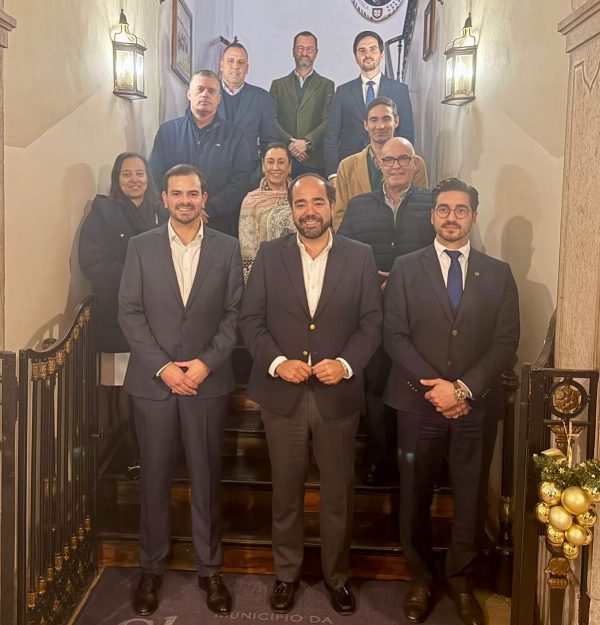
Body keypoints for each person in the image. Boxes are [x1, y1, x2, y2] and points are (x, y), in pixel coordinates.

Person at [239, 174, 382, 615]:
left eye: (317, 202)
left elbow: (371, 322)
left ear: (331, 205)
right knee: (286, 490)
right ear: (291, 209)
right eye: (300, 204)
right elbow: (250, 320)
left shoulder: (360, 255)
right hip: (282, 394)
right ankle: (287, 574)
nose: (309, 211)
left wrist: (345, 364)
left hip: (337, 395)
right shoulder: (270, 254)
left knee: (338, 493)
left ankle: (337, 576)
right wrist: (277, 362)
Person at [383, 178, 520, 625]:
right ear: (432, 216)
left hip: (474, 408)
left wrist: (461, 389)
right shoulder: (406, 267)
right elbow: (394, 335)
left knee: (471, 497)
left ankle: (461, 583)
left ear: (474, 217)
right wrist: (437, 389)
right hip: (417, 404)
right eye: (443, 209)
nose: (451, 218)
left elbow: (505, 342)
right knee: (414, 495)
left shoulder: (498, 273)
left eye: (461, 210)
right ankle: (421, 579)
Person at [118, 164, 243, 617]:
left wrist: (206, 363)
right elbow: (129, 312)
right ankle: (151, 568)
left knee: (206, 477)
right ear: (165, 198)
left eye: (193, 193)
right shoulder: (141, 246)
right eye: (177, 193)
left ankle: (210, 569)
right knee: (154, 477)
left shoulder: (228, 248)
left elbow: (234, 314)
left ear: (204, 198)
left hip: (206, 383)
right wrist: (165, 368)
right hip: (155, 384)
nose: (185, 200)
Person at [338, 136, 434, 486]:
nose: (396, 166)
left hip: (420, 312)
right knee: (376, 387)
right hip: (373, 311)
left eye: (403, 159)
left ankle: (417, 462)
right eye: (389, 160)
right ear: (379, 164)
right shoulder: (359, 205)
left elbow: (441, 249)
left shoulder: (432, 203)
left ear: (415, 163)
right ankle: (380, 459)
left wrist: (405, 277)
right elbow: (343, 251)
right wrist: (368, 280)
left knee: (415, 382)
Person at [78, 152, 166, 478]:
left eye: (139, 173)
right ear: (117, 179)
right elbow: (92, 263)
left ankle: (158, 450)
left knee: (157, 385)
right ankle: (133, 454)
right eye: (126, 174)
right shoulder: (102, 213)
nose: (134, 179)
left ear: (148, 176)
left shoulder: (162, 210)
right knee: (124, 391)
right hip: (117, 317)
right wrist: (134, 276)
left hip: (160, 318)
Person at [149, 69, 253, 236]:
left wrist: (206, 209)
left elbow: (240, 183)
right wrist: (180, 208)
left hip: (217, 224)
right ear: (189, 94)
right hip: (173, 221)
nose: (205, 95)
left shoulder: (235, 136)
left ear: (219, 99)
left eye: (211, 91)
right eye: (200, 89)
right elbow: (155, 176)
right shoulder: (167, 132)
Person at [324, 31, 414, 178]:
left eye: (373, 49)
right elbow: (331, 136)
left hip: (390, 166)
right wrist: (333, 174)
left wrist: (404, 167)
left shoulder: (399, 90)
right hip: (351, 168)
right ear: (356, 57)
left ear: (381, 54)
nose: (367, 55)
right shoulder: (343, 92)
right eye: (362, 51)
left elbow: (407, 134)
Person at [332, 97, 428, 229]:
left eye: (386, 119)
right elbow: (340, 215)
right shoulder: (347, 166)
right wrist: (350, 241)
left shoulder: (415, 164)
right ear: (366, 124)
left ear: (396, 121)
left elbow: (422, 208)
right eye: (374, 120)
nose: (380, 126)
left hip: (405, 237)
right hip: (359, 239)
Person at [270, 31, 335, 178]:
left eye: (309, 49)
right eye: (300, 48)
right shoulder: (277, 85)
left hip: (315, 162)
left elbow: (328, 120)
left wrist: (307, 143)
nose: (304, 53)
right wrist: (290, 144)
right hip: (284, 161)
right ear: (293, 51)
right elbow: (271, 119)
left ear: (316, 53)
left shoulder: (327, 85)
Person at [217, 42, 278, 186]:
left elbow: (269, 142)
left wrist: (262, 174)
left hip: (249, 179)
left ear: (247, 68)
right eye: (230, 61)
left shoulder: (261, 98)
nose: (235, 66)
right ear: (221, 65)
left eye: (241, 62)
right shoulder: (206, 93)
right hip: (211, 176)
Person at [238, 143, 295, 282]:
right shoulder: (251, 201)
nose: (275, 167)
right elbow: (247, 250)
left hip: (299, 271)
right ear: (263, 166)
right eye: (270, 162)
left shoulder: (300, 197)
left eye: (281, 162)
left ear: (290, 166)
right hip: (264, 274)